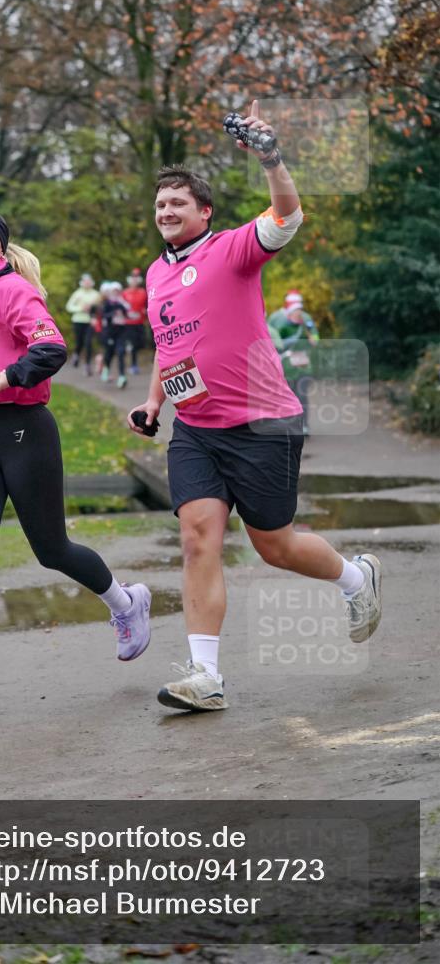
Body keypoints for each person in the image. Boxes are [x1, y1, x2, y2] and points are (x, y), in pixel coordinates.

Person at [128, 101, 382, 713]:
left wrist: (269, 157)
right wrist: (153, 401)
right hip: (196, 428)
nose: (166, 212)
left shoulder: (234, 249)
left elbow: (288, 216)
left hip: (264, 422)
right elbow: (171, 345)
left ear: (205, 212)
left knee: (274, 544)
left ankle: (356, 579)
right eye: (160, 205)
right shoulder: (155, 275)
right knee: (198, 538)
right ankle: (205, 675)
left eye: (178, 204)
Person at [0, 208, 151, 709]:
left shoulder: (12, 290)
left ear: (1, 248)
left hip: (27, 433)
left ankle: (125, 602)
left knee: (51, 549)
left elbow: (51, 350)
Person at [268, 291, 319, 433]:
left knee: (302, 394)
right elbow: (267, 337)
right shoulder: (276, 318)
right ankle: (286, 426)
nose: (299, 311)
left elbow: (315, 336)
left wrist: (313, 338)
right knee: (285, 396)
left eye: (300, 308)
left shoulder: (306, 318)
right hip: (283, 364)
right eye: (296, 308)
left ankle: (304, 426)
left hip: (303, 363)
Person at [65, 272, 99, 375]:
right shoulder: (77, 293)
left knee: (88, 343)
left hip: (90, 322)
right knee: (79, 342)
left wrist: (93, 310)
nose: (87, 284)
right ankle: (76, 355)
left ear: (92, 283)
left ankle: (87, 365)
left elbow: (99, 308)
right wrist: (81, 308)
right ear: (82, 283)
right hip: (78, 321)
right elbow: (69, 307)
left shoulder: (96, 294)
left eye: (88, 282)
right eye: (85, 282)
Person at [100, 281, 130, 388]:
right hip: (110, 332)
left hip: (121, 330)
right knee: (110, 352)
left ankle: (122, 377)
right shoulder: (107, 303)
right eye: (114, 291)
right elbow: (104, 315)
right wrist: (113, 314)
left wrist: (124, 311)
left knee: (121, 352)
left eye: (117, 291)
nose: (116, 293)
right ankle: (106, 368)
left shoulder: (121, 303)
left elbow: (128, 314)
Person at [123, 268, 148, 374]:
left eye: (136, 278)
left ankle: (129, 347)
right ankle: (133, 365)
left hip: (140, 322)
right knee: (133, 344)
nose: (134, 280)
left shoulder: (143, 292)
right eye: (132, 278)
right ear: (129, 280)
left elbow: (148, 305)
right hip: (128, 323)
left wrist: (145, 311)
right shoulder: (124, 293)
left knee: (140, 343)